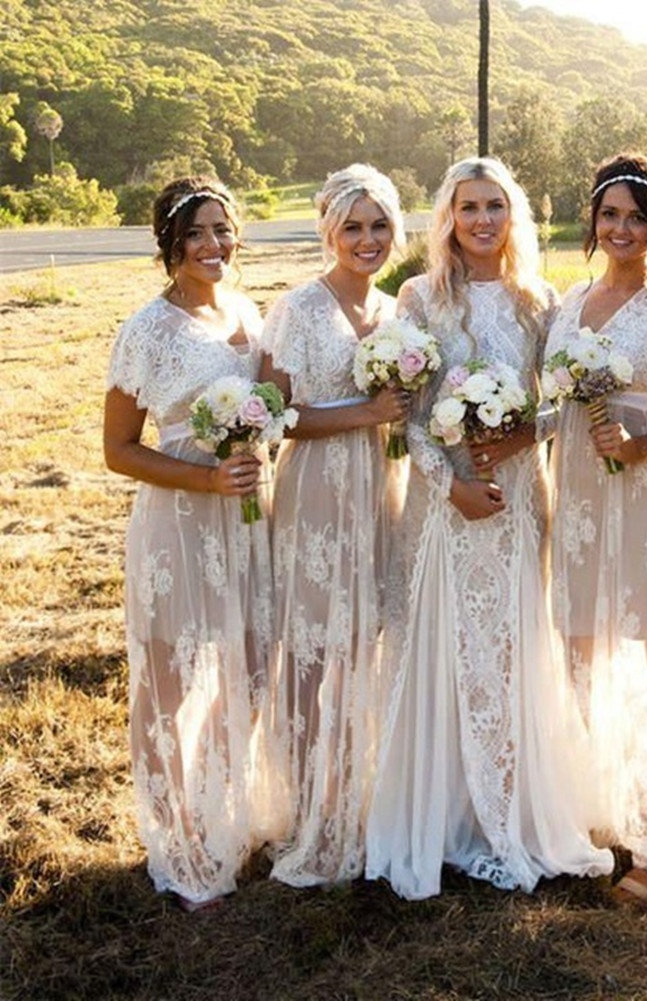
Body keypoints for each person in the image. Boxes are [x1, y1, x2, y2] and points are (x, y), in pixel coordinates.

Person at [364, 156, 613, 899]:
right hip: (442, 502)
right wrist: (451, 482)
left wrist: (516, 439)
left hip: (514, 499)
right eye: (467, 207)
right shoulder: (418, 297)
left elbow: (557, 402)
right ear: (448, 217)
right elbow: (403, 413)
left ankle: (508, 808)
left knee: (507, 646)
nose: (481, 221)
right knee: (439, 642)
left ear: (514, 217)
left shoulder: (541, 301)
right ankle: (438, 813)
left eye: (494, 207)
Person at [103, 177, 271, 912]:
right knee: (173, 687)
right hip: (178, 521)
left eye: (224, 231)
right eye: (198, 234)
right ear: (171, 245)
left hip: (248, 520)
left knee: (247, 669)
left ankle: (220, 814)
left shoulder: (247, 311)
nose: (214, 246)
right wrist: (204, 484)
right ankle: (179, 845)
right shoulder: (147, 329)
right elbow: (117, 449)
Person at [545, 153, 647, 907]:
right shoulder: (569, 302)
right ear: (593, 221)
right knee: (582, 645)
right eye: (610, 215)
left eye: (637, 217)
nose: (622, 229)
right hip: (576, 487)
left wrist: (641, 444)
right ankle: (599, 810)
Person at [255, 164, 409, 886]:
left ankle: (356, 795)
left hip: (378, 485)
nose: (367, 239)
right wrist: (366, 414)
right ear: (329, 232)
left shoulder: (394, 314)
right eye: (353, 227)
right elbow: (272, 414)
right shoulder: (296, 307)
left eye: (379, 226)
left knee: (364, 640)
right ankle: (308, 809)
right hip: (315, 488)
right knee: (312, 649)